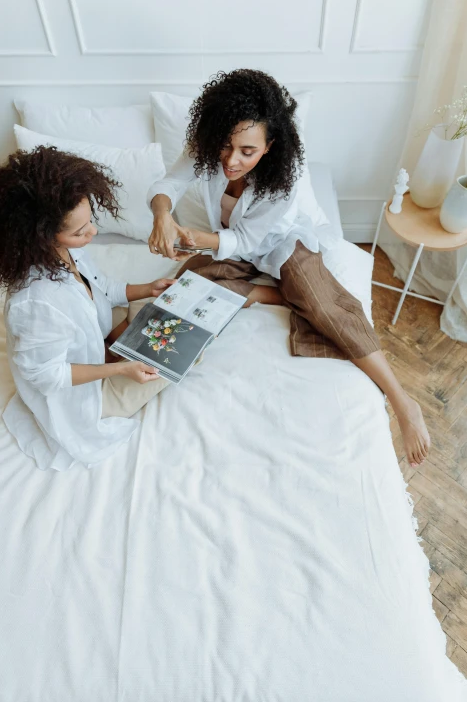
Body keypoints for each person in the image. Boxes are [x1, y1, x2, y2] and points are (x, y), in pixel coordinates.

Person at [147, 69, 431, 468]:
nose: (231, 160)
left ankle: (403, 401)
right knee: (189, 286)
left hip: (282, 244)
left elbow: (249, 239)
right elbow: (168, 184)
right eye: (226, 146)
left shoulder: (287, 175)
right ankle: (270, 295)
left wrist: (195, 238)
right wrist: (162, 217)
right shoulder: (209, 148)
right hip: (230, 246)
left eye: (247, 151)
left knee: (323, 303)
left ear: (269, 146)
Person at [0, 146, 173, 471]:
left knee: (163, 307)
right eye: (80, 232)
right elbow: (48, 376)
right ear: (41, 237)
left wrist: (148, 289)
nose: (92, 233)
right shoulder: (35, 303)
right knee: (175, 362)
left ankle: (119, 345)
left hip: (92, 337)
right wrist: (121, 369)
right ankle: (120, 354)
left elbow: (105, 288)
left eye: (90, 223)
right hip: (81, 397)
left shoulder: (66, 252)